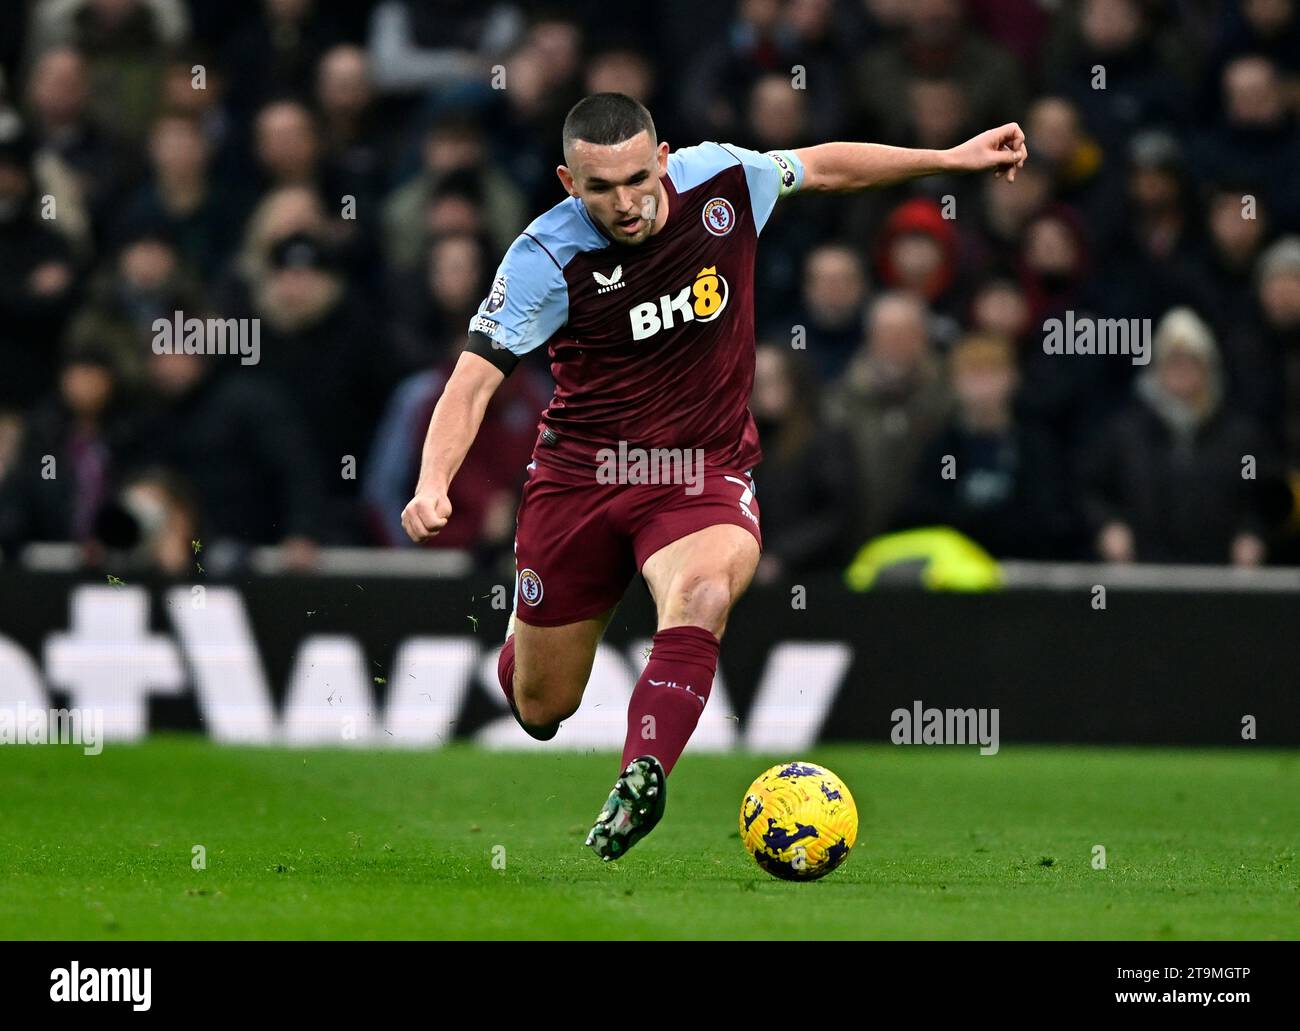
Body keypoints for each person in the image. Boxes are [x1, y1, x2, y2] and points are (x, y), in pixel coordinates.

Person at [399, 92, 1028, 862]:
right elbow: (469, 383)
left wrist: (948, 159)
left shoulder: (722, 181)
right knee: (541, 706)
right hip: (582, 477)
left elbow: (823, 167)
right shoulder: (544, 257)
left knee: (703, 594)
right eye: (601, 189)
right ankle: (524, 640)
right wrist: (435, 483)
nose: (626, 204)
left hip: (701, 470)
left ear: (663, 159)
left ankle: (643, 772)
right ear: (569, 183)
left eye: (638, 179)